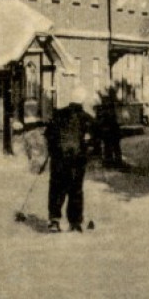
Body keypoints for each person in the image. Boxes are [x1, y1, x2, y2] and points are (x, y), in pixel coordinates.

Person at [44, 100, 94, 233]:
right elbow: (93, 139)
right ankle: (75, 222)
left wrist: (52, 151)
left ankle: (54, 220)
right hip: (77, 161)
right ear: (82, 101)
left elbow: (48, 134)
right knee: (76, 190)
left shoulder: (58, 114)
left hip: (58, 160)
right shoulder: (86, 118)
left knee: (56, 188)